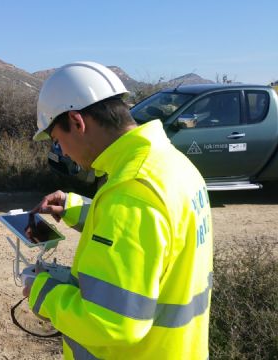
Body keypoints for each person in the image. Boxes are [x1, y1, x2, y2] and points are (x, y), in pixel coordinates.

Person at [23, 61, 213, 359]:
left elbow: (110, 323)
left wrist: (42, 292)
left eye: (58, 142)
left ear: (77, 121)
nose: (63, 152)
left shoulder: (131, 191)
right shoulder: (169, 165)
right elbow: (151, 239)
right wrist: (78, 209)